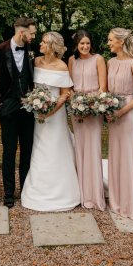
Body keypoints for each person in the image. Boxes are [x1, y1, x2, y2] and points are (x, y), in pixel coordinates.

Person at [21, 32, 80, 211]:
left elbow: (65, 94)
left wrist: (49, 112)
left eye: (44, 42)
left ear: (52, 47)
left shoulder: (62, 67)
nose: (40, 44)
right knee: (39, 149)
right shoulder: (36, 62)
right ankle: (36, 191)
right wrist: (36, 108)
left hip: (56, 117)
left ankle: (63, 193)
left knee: (55, 148)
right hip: (38, 116)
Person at [0, 17, 37, 208]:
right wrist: (0, 103)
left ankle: (25, 189)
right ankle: (8, 193)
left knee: (27, 150)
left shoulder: (32, 50)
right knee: (9, 151)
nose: (33, 36)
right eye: (31, 33)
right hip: (8, 108)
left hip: (28, 109)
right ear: (21, 32)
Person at [106, 27, 133, 221]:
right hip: (112, 113)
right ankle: (117, 199)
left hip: (128, 113)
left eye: (111, 40)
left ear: (121, 42)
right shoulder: (110, 62)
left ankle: (130, 201)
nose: (108, 43)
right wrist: (106, 108)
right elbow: (106, 91)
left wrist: (122, 111)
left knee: (128, 154)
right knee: (115, 153)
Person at [68, 29, 107, 211]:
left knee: (93, 149)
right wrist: (76, 102)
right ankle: (81, 193)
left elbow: (103, 87)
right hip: (77, 110)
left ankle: (95, 195)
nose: (85, 46)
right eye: (82, 43)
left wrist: (90, 104)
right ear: (76, 45)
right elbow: (69, 86)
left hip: (93, 109)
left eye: (87, 43)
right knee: (80, 149)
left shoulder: (98, 59)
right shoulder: (71, 60)